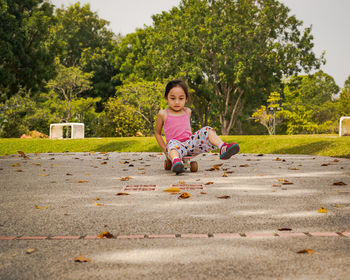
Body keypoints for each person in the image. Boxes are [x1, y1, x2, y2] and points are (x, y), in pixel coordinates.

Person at [155, 79, 239, 173]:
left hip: (190, 143)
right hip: (175, 145)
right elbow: (157, 133)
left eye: (181, 98)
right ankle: (176, 161)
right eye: (173, 98)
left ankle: (223, 147)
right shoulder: (163, 114)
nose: (177, 102)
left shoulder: (187, 111)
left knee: (207, 129)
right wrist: (165, 150)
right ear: (166, 98)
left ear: (186, 98)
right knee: (172, 145)